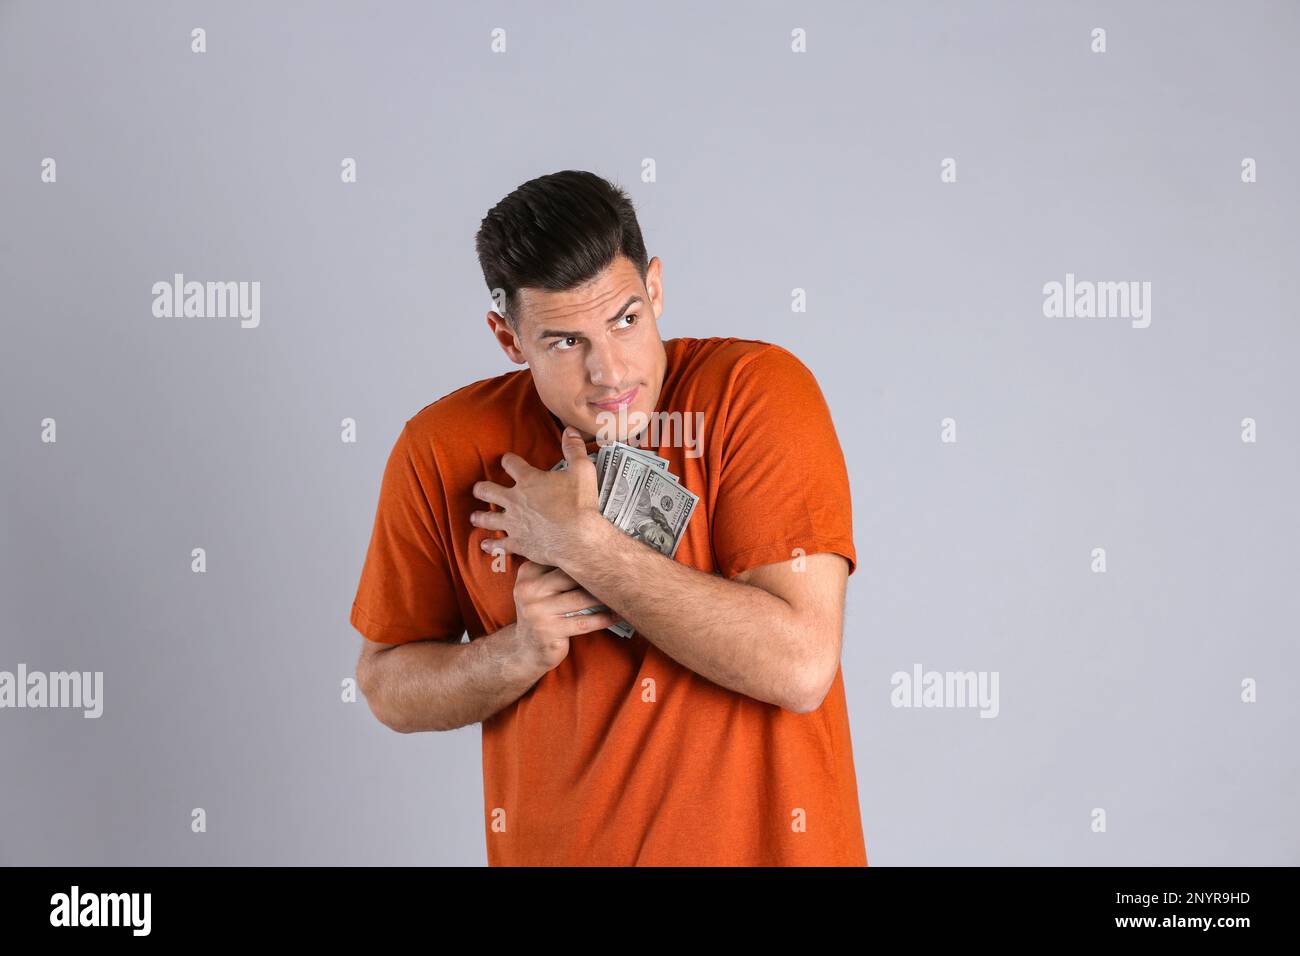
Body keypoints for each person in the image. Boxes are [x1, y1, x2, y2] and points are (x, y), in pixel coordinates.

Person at [349, 169, 867, 866]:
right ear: (509, 338)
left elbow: (801, 666)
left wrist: (585, 547)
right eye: (566, 342)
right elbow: (387, 685)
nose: (612, 371)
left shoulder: (756, 394)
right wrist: (515, 653)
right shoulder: (440, 447)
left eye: (626, 319)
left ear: (654, 289)